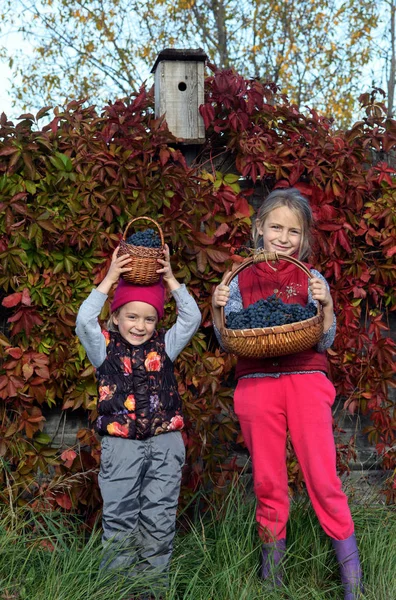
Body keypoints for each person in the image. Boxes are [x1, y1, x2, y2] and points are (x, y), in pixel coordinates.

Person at [212, 188, 363, 599]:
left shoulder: (311, 278)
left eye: (292, 231)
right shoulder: (240, 277)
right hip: (256, 385)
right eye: (275, 226)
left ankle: (354, 585)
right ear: (259, 227)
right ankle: (271, 582)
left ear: (304, 238)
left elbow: (323, 339)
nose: (283, 236)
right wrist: (216, 308)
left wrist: (326, 304)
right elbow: (229, 340)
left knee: (323, 478)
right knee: (268, 482)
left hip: (305, 381)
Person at [76, 243, 201, 599]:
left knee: (159, 522)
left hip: (165, 446)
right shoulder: (103, 348)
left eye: (148, 318)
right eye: (131, 316)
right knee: (120, 522)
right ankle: (118, 591)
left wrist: (172, 280)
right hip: (121, 447)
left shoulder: (166, 346)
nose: (140, 325)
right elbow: (84, 320)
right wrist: (111, 277)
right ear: (115, 317)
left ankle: (151, 592)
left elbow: (191, 319)